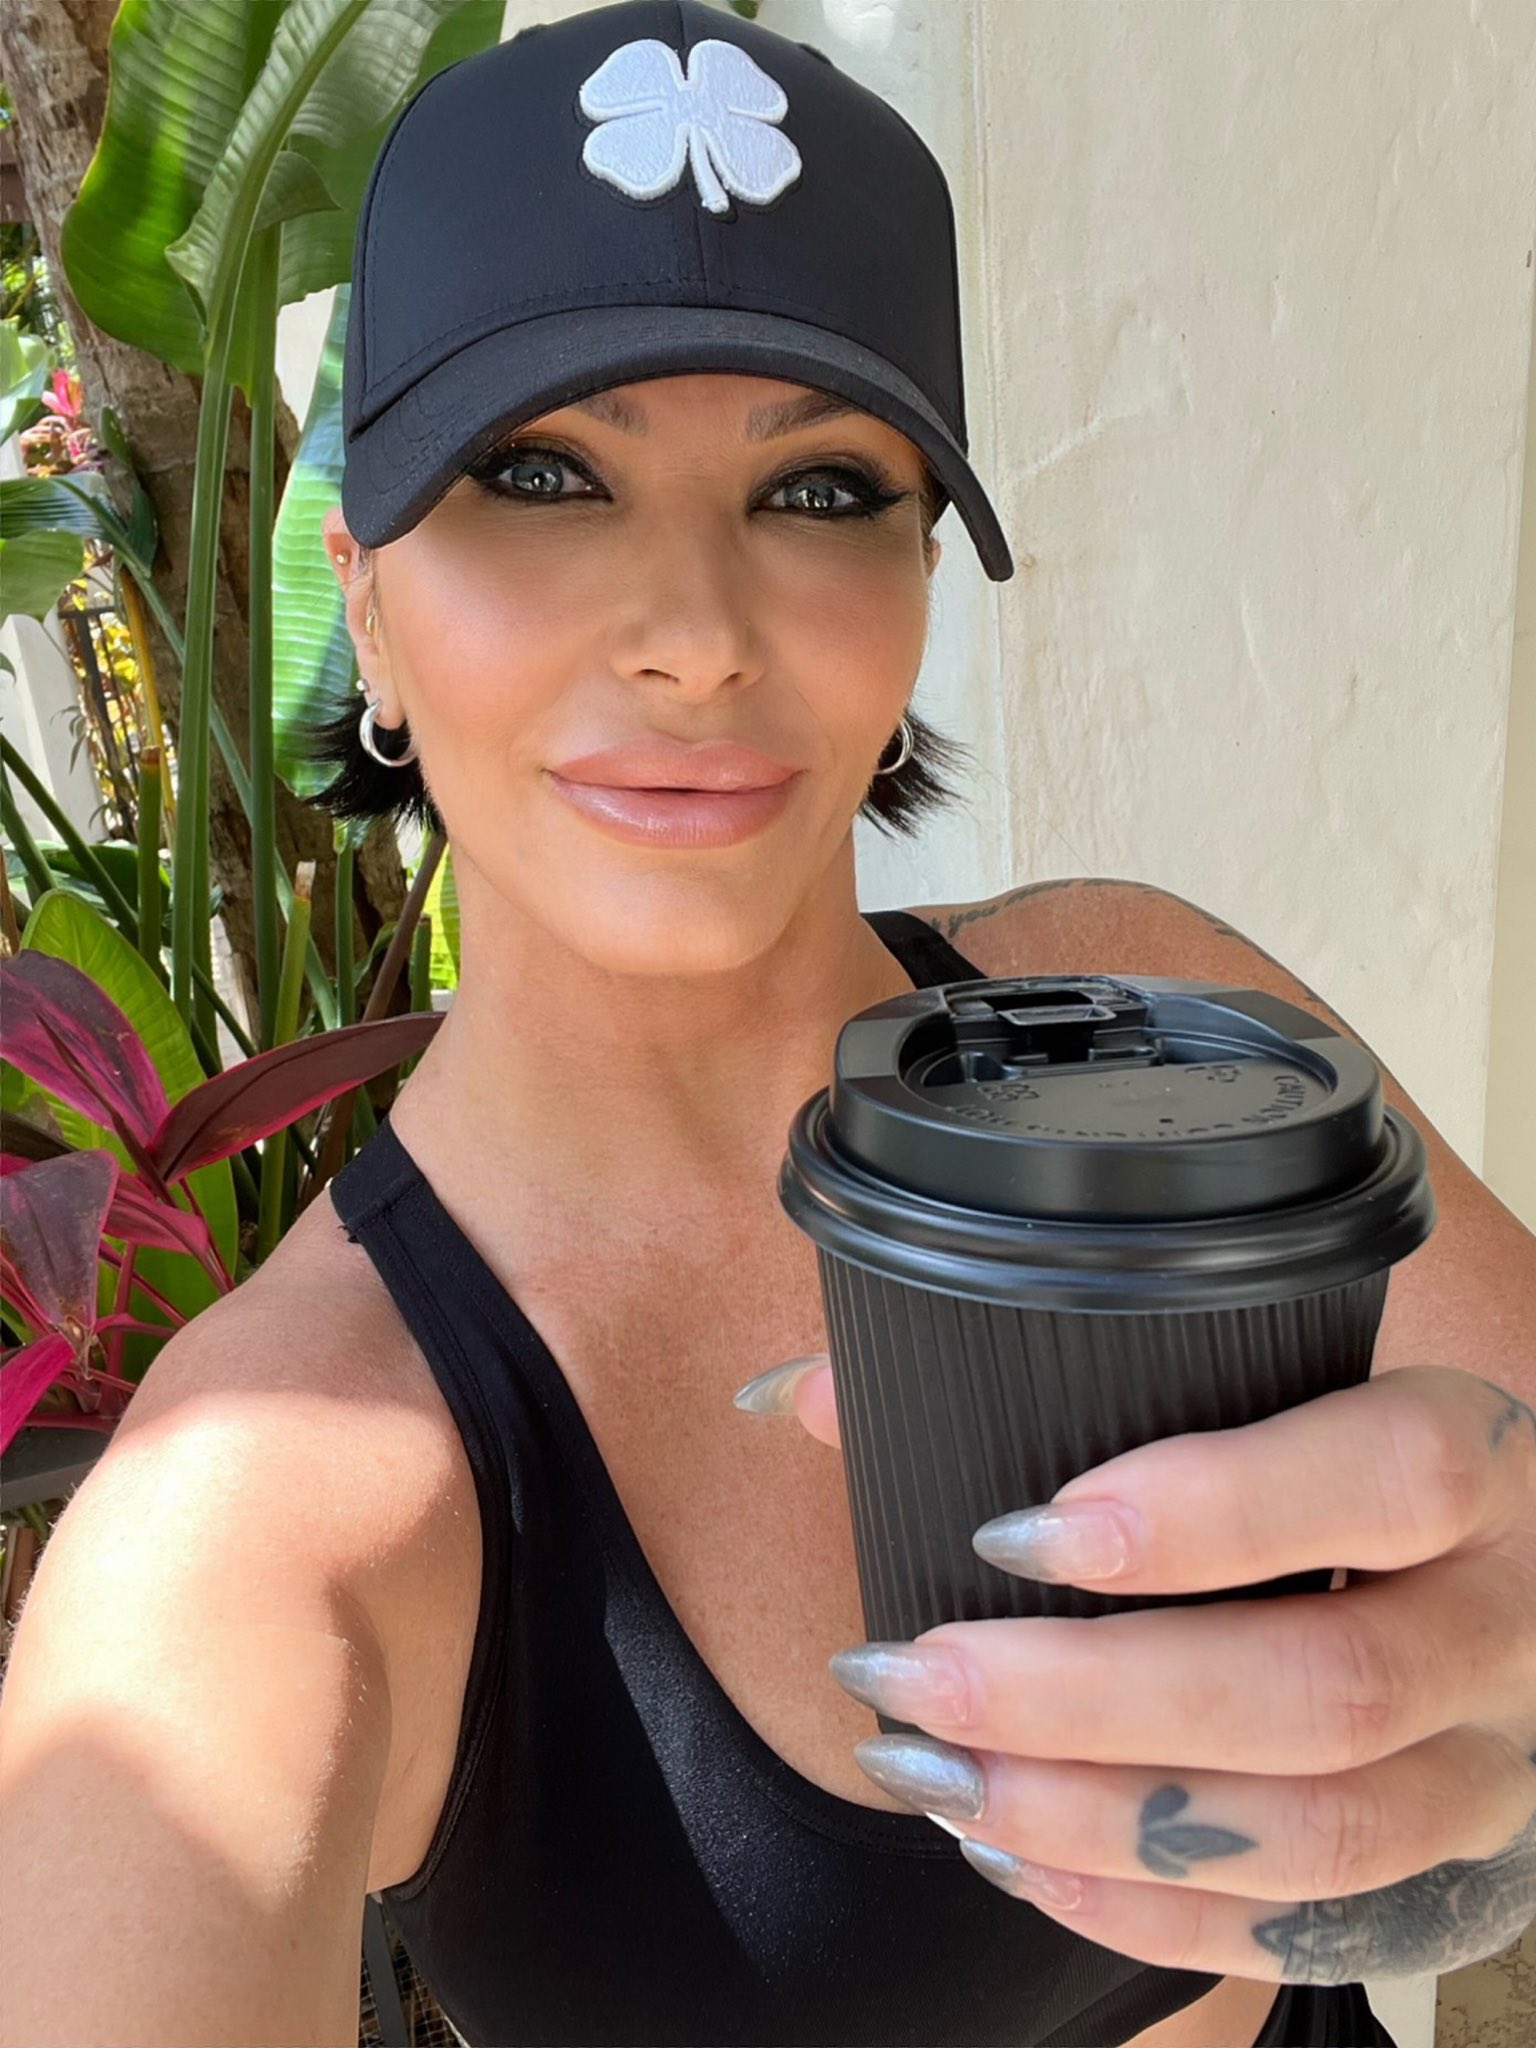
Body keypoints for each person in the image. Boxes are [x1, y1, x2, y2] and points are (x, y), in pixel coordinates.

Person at [5, 7, 1533, 2047]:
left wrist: (1486, 1761)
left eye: (818, 489)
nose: (700, 635)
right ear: (361, 592)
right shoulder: (267, 1503)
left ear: (920, 584)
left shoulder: (1145, 1019)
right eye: (543, 474)